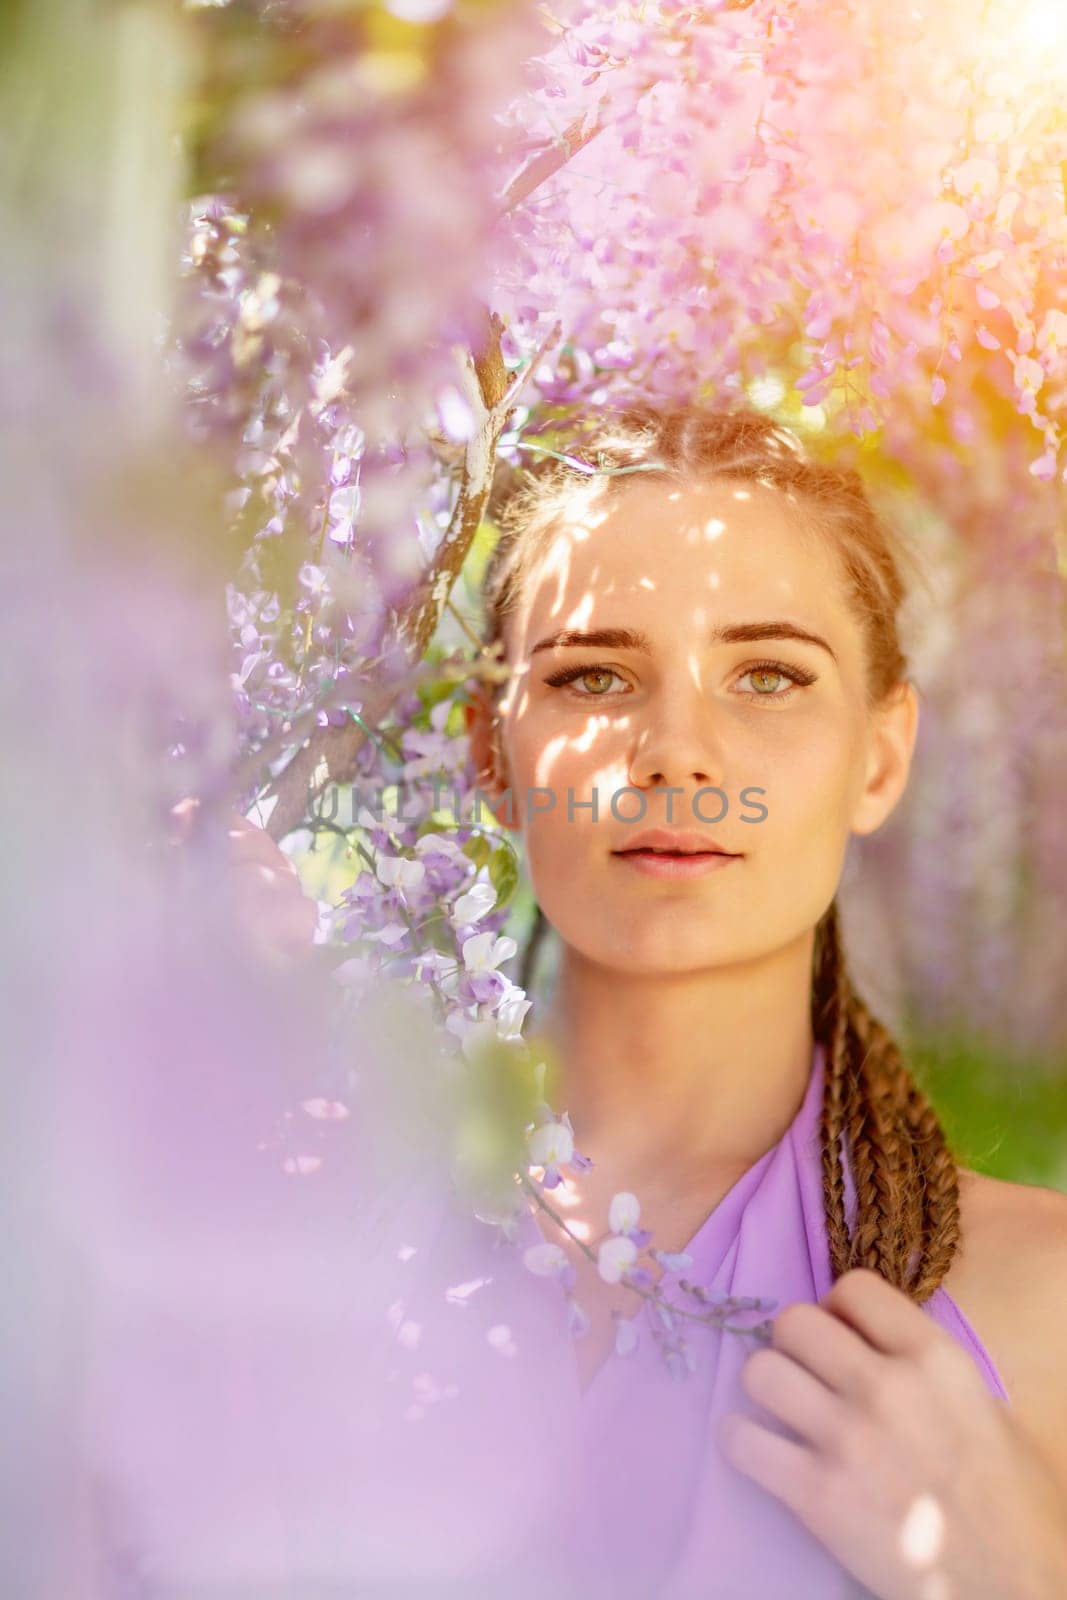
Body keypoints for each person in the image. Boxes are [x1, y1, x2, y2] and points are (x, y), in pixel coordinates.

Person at [218, 403, 1067, 1597]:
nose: (677, 751)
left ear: (877, 758)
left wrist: (1021, 1568)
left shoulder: (1044, 1299)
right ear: (489, 758)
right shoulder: (291, 1234)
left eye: (766, 675)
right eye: (594, 674)